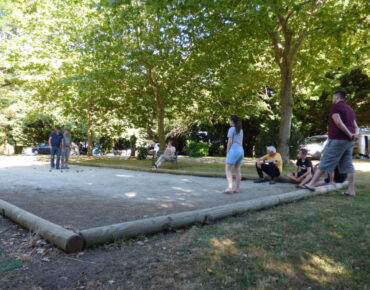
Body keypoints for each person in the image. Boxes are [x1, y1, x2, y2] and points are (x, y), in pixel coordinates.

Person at [304, 90, 359, 196]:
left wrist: (349, 134)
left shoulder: (336, 107)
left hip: (338, 139)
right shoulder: (350, 110)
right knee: (348, 165)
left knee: (325, 161)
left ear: (337, 97)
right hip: (349, 141)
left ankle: (311, 184)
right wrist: (354, 135)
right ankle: (351, 190)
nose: (332, 100)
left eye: (333, 97)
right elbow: (356, 127)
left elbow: (338, 122)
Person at [224, 115, 244, 194]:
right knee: (238, 170)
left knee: (228, 169)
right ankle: (237, 189)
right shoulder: (240, 130)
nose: (229, 122)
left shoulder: (231, 129)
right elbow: (241, 142)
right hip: (241, 150)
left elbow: (229, 142)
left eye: (230, 120)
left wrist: (227, 151)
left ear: (232, 121)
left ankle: (229, 188)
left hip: (234, 150)